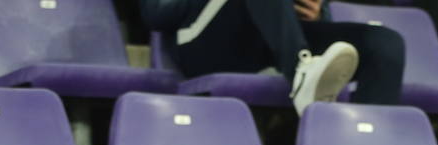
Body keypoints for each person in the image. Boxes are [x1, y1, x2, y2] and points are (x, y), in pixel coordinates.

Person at [138, 0, 405, 115]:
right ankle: (301, 72)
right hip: (204, 43)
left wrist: (316, 12)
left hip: (276, 43)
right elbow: (157, 13)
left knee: (385, 45)